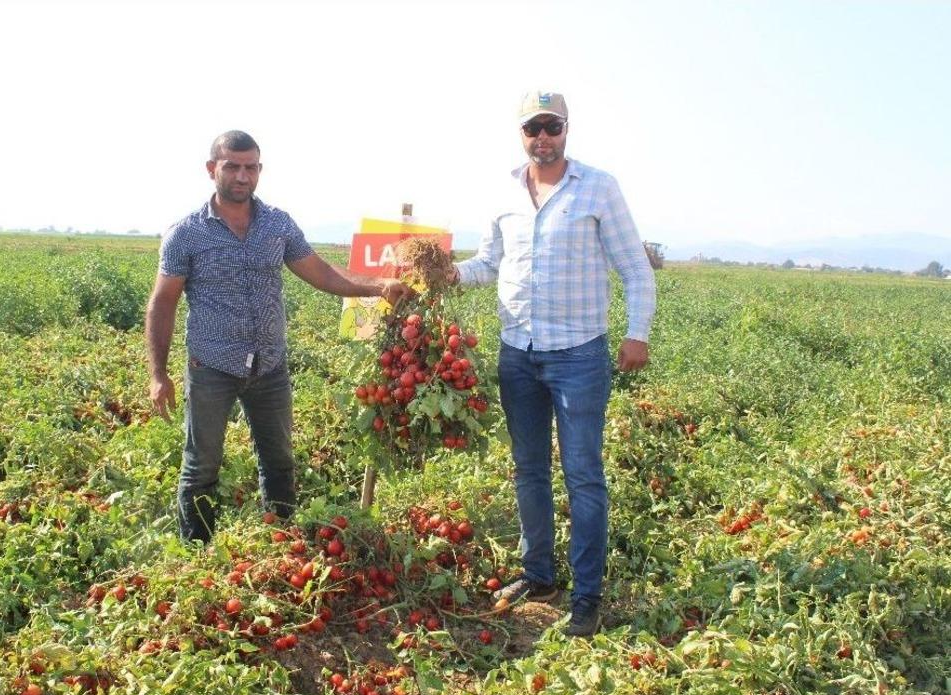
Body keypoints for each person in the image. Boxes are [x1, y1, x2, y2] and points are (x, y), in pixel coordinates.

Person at [451, 91, 656, 636]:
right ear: (521, 134)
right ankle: (538, 573)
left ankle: (587, 595)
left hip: (580, 355)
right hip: (518, 352)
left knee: (584, 475)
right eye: (532, 127)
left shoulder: (597, 188)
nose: (543, 136)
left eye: (552, 126)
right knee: (529, 469)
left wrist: (638, 334)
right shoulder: (504, 189)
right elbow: (488, 262)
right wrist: (447, 273)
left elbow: (635, 269)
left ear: (567, 129)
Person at [146, 130, 411, 544]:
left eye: (250, 167)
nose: (241, 175)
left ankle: (283, 544)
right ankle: (195, 556)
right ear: (211, 169)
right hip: (212, 366)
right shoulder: (187, 233)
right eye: (232, 166)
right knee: (201, 466)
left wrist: (378, 285)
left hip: (269, 365)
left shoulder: (276, 224)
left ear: (260, 171)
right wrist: (158, 373)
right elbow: (163, 302)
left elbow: (320, 272)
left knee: (279, 461)